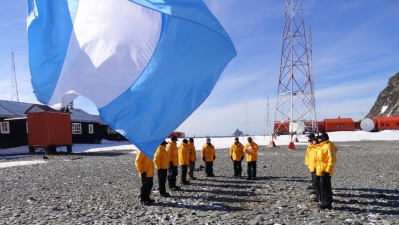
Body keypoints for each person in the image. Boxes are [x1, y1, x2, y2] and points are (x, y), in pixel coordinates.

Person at [316, 132, 339, 210]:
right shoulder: (322, 146)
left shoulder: (328, 147)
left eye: (320, 138)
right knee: (322, 186)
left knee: (326, 187)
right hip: (321, 169)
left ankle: (327, 203)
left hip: (325, 171)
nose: (318, 139)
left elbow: (332, 160)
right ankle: (324, 201)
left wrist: (327, 170)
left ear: (324, 138)